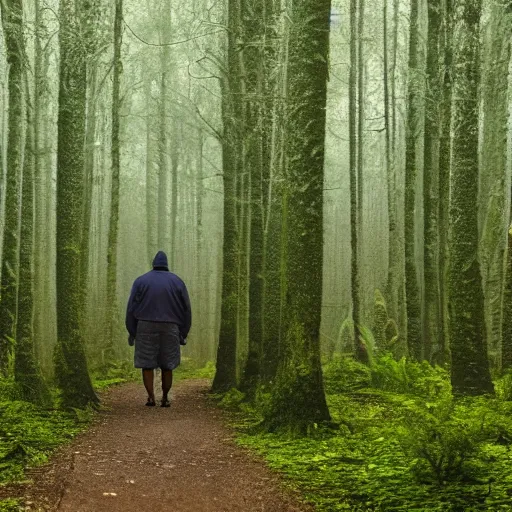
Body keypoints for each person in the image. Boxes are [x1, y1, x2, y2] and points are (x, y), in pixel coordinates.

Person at [126, 251, 191, 407]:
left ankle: (150, 397)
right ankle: (165, 397)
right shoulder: (177, 282)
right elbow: (186, 310)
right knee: (167, 365)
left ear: (153, 263)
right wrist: (183, 332)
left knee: (147, 364)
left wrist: (132, 331)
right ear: (166, 264)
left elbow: (131, 308)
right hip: (170, 327)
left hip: (145, 325)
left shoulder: (141, 281)